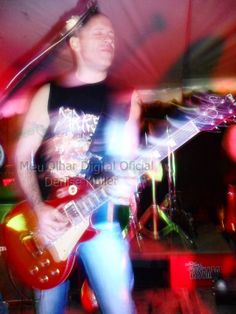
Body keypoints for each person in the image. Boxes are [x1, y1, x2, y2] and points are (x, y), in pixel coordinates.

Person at [15, 11, 141, 314]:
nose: (109, 40)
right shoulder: (47, 94)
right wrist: (39, 209)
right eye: (100, 33)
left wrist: (129, 180)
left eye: (112, 35)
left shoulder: (127, 97)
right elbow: (22, 156)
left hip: (102, 222)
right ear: (75, 42)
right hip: (51, 227)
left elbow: (129, 160)